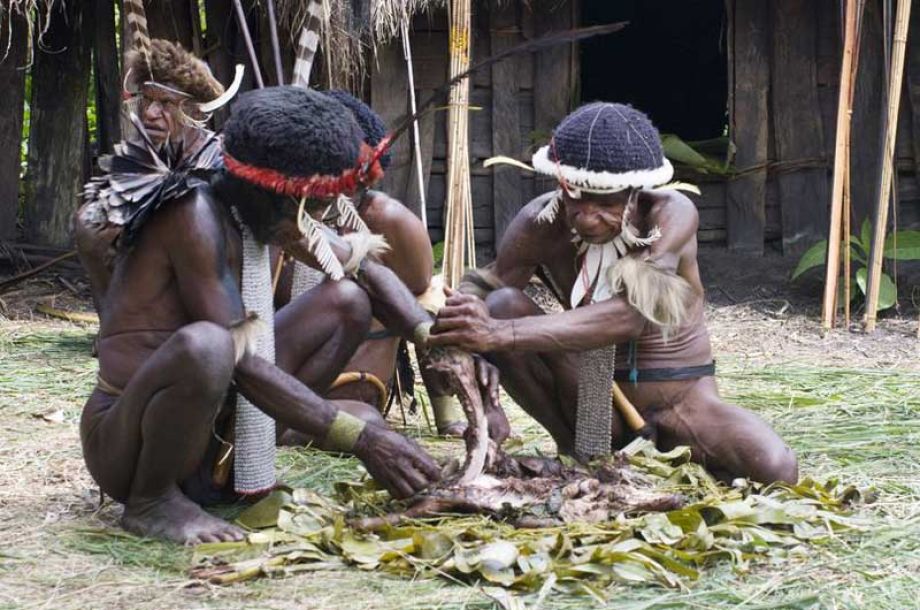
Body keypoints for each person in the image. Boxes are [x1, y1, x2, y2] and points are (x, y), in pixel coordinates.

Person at [80, 84, 443, 545]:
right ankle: (154, 500)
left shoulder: (257, 204)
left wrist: (434, 340)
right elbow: (243, 361)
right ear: (279, 193)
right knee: (211, 346)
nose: (318, 217)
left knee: (347, 302)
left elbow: (366, 269)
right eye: (313, 205)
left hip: (207, 427)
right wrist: (360, 438)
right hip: (124, 443)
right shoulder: (193, 212)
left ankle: (231, 465)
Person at [429, 102, 797, 485]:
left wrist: (497, 334)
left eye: (606, 204)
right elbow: (483, 294)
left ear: (635, 193)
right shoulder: (541, 222)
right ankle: (576, 449)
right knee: (501, 303)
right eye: (576, 199)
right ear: (561, 186)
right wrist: (469, 373)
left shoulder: (669, 216)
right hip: (586, 397)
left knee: (776, 467)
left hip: (680, 397)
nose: (587, 218)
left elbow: (629, 317)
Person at [274, 91, 468, 439]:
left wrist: (448, 413)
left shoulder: (388, 221)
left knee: (366, 421)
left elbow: (427, 297)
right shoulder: (269, 215)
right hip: (274, 389)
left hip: (352, 396)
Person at [74, 39, 231, 314]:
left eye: (166, 103)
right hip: (143, 299)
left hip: (211, 295)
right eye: (147, 99)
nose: (150, 113)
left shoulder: (221, 161)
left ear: (195, 110)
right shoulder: (138, 159)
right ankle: (114, 323)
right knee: (88, 223)